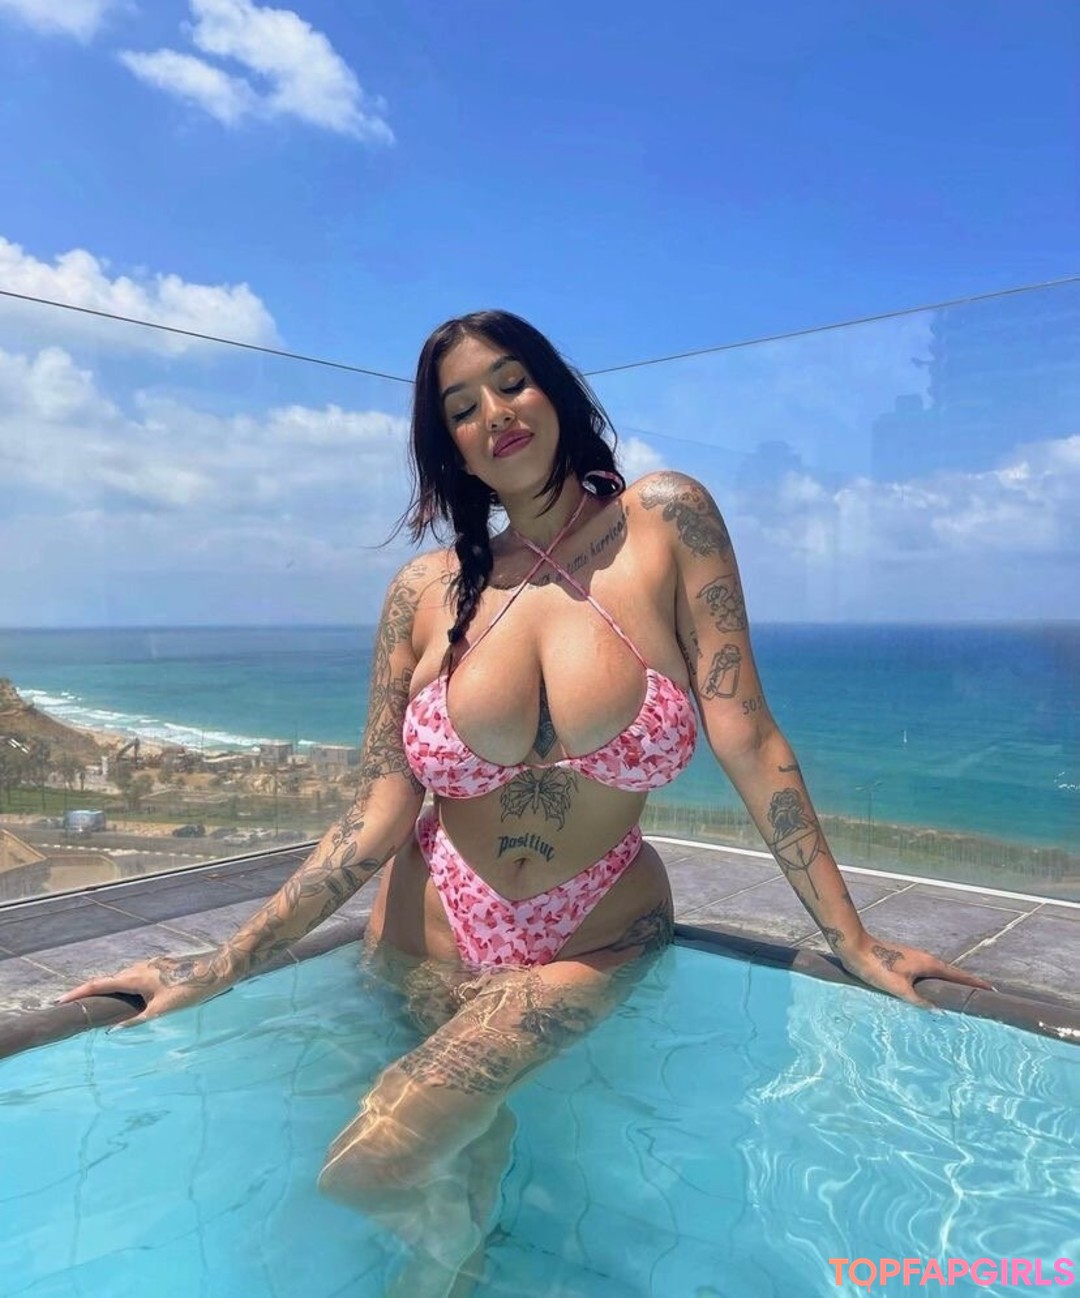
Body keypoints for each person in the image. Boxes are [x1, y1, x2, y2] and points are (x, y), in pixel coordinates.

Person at [61, 310, 988, 1297]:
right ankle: (457, 1265)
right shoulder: (424, 590)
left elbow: (749, 738)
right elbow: (376, 813)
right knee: (457, 1160)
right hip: (422, 935)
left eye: (511, 382)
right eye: (462, 407)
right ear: (449, 447)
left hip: (594, 931)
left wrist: (854, 939)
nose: (495, 414)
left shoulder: (666, 522)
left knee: (373, 1161)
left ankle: (453, 1248)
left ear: (556, 390)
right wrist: (222, 963)